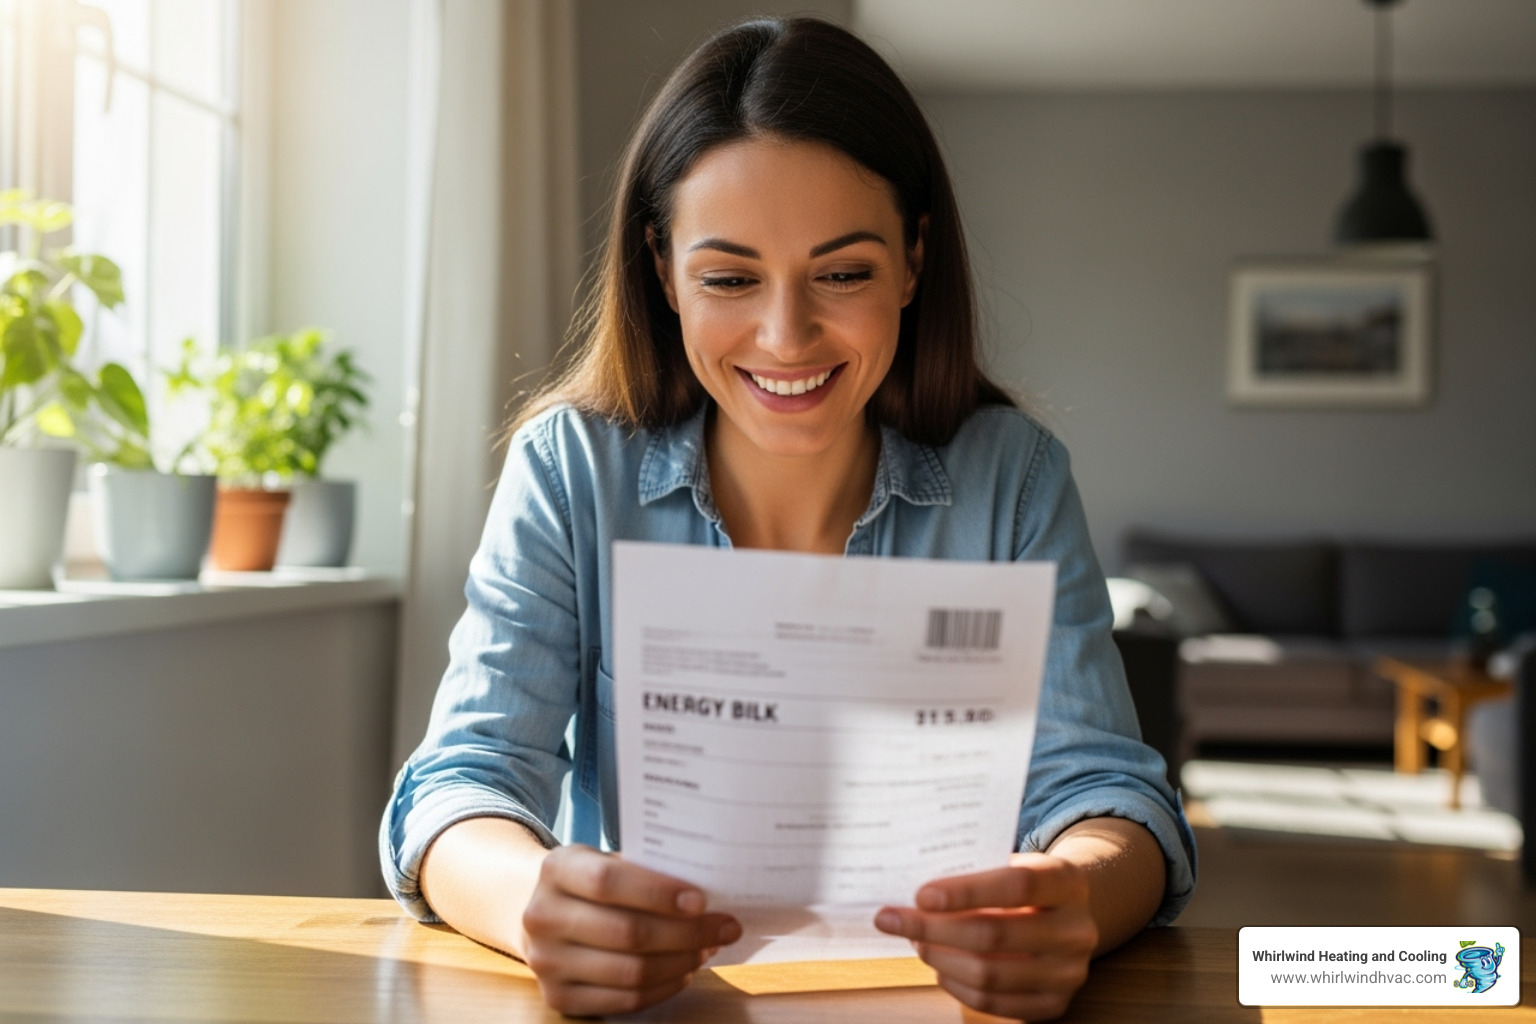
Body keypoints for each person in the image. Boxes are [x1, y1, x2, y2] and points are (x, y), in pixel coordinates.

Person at [381, 15, 1196, 1021]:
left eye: (843, 272)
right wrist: (528, 901)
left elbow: (1112, 795)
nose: (785, 335)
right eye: (728, 277)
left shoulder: (1012, 476)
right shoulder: (569, 467)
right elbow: (464, 780)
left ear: (912, 261)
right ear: (663, 272)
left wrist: (1073, 892)